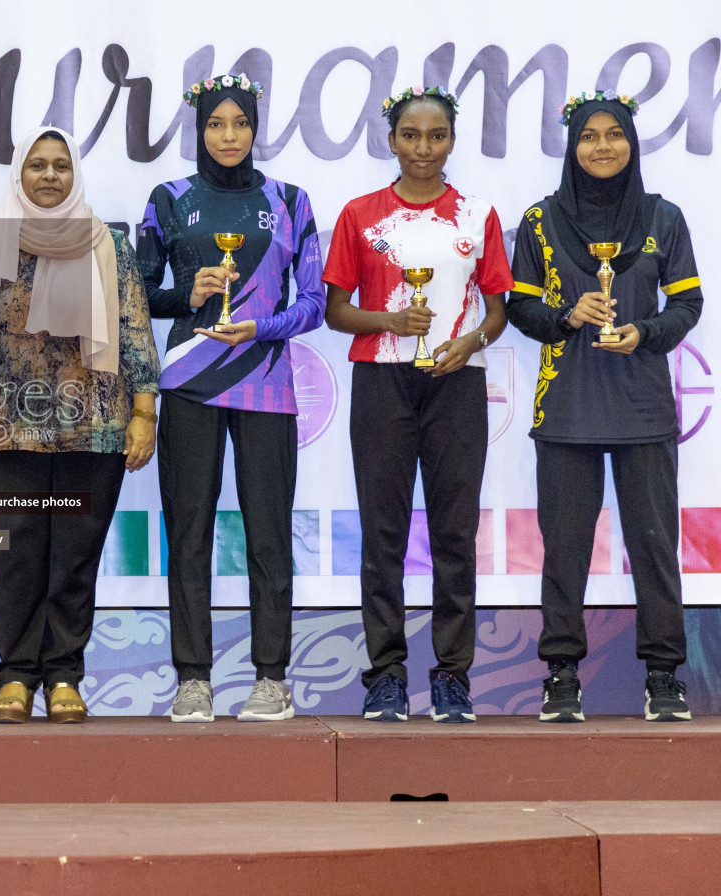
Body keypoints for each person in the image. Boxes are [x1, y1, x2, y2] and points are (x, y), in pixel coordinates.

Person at [0, 126, 160, 725]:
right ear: (18, 174)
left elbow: (136, 330)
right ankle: (15, 676)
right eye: (36, 165)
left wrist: (145, 414)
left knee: (74, 553)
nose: (48, 176)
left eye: (60, 165)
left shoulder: (110, 243)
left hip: (94, 426)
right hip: (7, 425)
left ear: (75, 173)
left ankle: (64, 675)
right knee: (13, 553)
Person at [505, 90, 702, 724]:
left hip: (643, 409)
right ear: (572, 145)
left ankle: (664, 675)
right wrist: (566, 317)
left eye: (612, 134)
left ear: (630, 141)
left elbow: (687, 306)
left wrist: (644, 332)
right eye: (588, 136)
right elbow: (519, 308)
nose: (601, 146)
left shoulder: (662, 218)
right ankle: (561, 672)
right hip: (565, 408)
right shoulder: (539, 221)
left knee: (653, 544)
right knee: (564, 548)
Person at [138, 73, 324, 724]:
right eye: (216, 124)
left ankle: (271, 677)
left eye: (239, 124)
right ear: (200, 129)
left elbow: (315, 303)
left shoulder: (290, 200)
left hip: (267, 385)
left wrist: (263, 325)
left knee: (268, 535)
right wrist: (185, 297)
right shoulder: (169, 198)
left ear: (254, 128)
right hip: (190, 381)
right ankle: (194, 679)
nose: (228, 136)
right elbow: (137, 291)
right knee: (188, 534)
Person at [322, 86, 510, 725]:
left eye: (435, 136)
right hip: (382, 380)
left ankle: (453, 674)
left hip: (457, 382)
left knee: (455, 532)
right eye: (410, 135)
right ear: (392, 139)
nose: (422, 148)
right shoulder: (360, 214)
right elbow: (336, 311)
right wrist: (391, 321)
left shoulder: (476, 214)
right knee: (383, 531)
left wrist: (469, 341)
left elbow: (498, 310)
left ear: (452, 140)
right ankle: (387, 675)